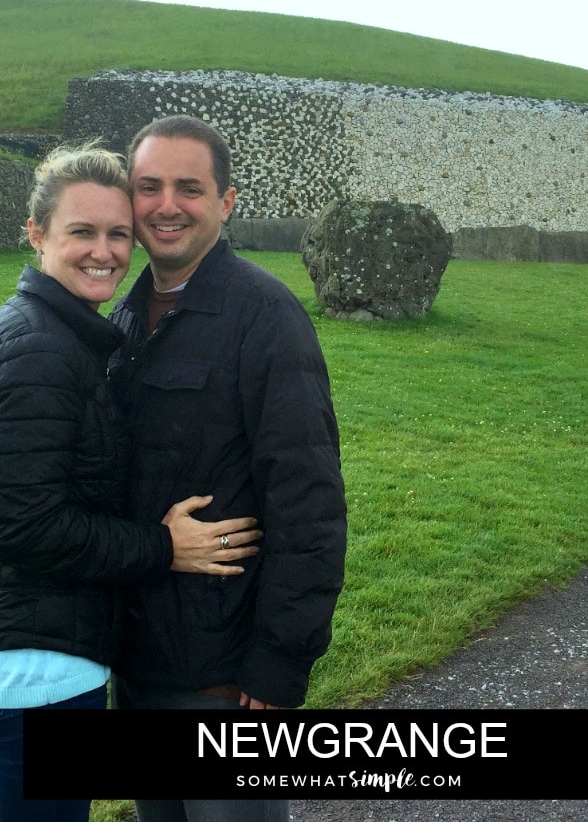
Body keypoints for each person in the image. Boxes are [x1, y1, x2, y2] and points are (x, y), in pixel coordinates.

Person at [0, 144, 262, 822]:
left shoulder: (64, 336)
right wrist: (159, 547)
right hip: (33, 679)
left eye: (119, 233)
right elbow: (24, 524)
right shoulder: (41, 353)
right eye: (81, 232)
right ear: (36, 232)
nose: (105, 251)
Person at [108, 115, 347, 822]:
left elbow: (309, 503)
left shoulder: (264, 317)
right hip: (140, 656)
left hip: (223, 676)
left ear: (227, 202)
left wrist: (280, 664)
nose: (166, 205)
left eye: (190, 187)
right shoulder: (123, 316)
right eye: (148, 186)